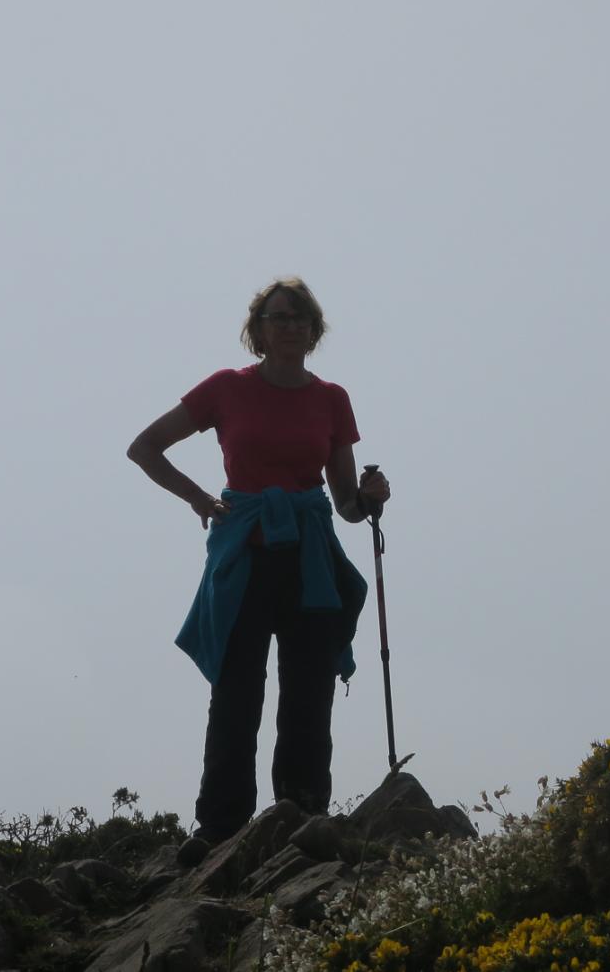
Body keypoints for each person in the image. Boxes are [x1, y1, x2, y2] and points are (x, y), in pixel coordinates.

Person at [127, 277, 390, 863]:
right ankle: (220, 827)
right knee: (237, 689)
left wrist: (371, 498)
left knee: (309, 692)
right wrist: (199, 499)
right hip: (244, 547)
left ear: (314, 329)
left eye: (299, 316)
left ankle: (301, 815)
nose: (289, 324)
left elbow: (346, 503)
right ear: (259, 328)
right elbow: (144, 446)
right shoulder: (226, 388)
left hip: (309, 552)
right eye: (278, 316)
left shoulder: (332, 398)